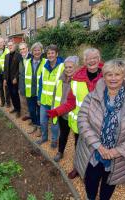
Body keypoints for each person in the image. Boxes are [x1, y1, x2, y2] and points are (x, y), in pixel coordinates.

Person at [75, 59, 125, 200]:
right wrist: (98, 146)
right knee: (91, 180)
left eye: (117, 74)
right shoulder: (92, 97)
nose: (113, 78)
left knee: (109, 182)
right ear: (103, 76)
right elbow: (82, 120)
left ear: (124, 76)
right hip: (94, 151)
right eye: (109, 74)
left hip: (119, 156)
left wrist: (119, 150)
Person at [47, 48, 104, 176]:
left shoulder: (107, 76)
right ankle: (78, 168)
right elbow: (71, 102)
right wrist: (56, 111)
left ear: (99, 58)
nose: (92, 60)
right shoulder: (77, 80)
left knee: (96, 147)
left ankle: (94, 171)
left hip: (98, 123)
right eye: (89, 58)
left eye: (94, 57)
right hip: (78, 120)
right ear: (85, 61)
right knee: (79, 145)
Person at [46, 56, 80, 162]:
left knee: (77, 138)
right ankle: (60, 152)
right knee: (63, 134)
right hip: (63, 113)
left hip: (75, 115)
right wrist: (54, 109)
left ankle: (77, 160)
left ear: (76, 67)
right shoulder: (61, 79)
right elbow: (55, 95)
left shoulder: (80, 81)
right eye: (66, 67)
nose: (68, 69)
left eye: (71, 67)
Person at [36, 44, 64, 148]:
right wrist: (39, 97)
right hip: (44, 101)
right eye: (48, 53)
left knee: (54, 124)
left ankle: (54, 140)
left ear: (57, 54)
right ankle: (44, 138)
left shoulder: (62, 66)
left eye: (52, 53)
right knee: (43, 122)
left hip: (56, 102)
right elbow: (40, 84)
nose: (50, 55)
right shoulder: (44, 67)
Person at [22, 42, 46, 132]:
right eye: (35, 50)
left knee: (40, 111)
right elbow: (23, 76)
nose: (37, 52)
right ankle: (35, 124)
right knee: (32, 111)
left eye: (38, 50)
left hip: (40, 92)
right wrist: (23, 89)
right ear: (32, 52)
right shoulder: (27, 62)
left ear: (42, 51)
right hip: (30, 92)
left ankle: (39, 127)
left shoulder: (45, 62)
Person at [4, 41, 21, 118]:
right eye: (9, 46)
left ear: (14, 46)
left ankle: (18, 110)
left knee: (15, 94)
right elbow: (5, 68)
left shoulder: (18, 55)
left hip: (15, 80)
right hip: (8, 79)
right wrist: (5, 79)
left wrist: (16, 77)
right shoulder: (6, 56)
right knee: (11, 94)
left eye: (11, 45)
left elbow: (19, 68)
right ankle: (15, 107)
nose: (10, 47)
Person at [18, 42, 33, 122]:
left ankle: (33, 118)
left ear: (27, 49)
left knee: (31, 103)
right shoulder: (20, 59)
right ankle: (28, 115)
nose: (22, 51)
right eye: (20, 49)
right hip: (22, 85)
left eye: (23, 49)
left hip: (30, 86)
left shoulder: (32, 58)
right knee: (24, 102)